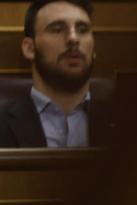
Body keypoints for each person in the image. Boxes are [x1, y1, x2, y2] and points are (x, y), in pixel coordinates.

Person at [0, 0, 111, 148]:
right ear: (30, 49)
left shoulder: (129, 122)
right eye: (58, 29)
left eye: (83, 30)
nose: (74, 38)